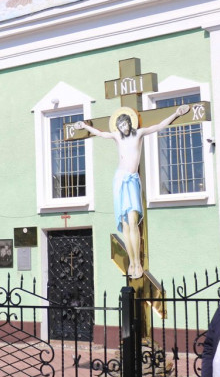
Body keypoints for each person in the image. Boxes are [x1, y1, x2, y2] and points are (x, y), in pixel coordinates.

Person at [75, 106, 190, 278]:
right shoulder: (116, 137)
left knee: (133, 221)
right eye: (120, 126)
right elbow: (101, 134)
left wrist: (176, 114)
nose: (123, 128)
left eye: (125, 124)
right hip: (120, 180)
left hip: (132, 180)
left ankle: (138, 262)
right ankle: (132, 262)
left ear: (130, 123)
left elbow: (159, 126)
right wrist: (85, 126)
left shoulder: (139, 134)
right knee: (126, 225)